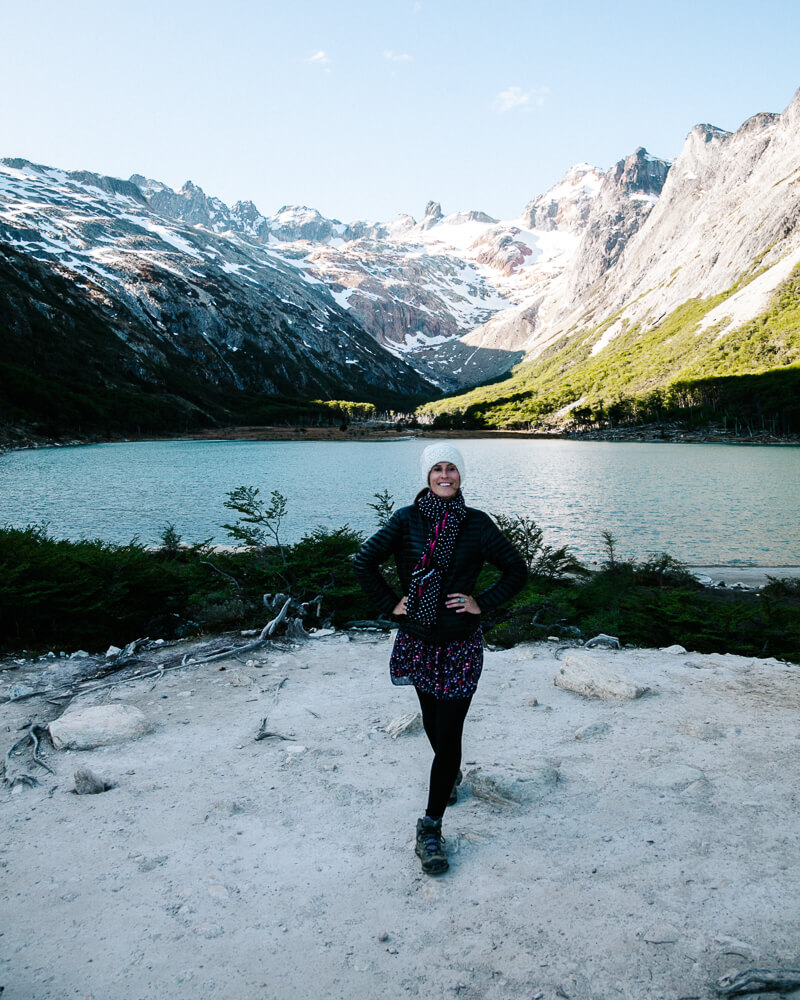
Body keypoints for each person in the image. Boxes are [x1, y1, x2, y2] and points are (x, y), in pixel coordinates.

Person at [354, 443, 527, 875]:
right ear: (426, 475)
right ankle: (449, 776)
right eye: (437, 469)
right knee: (434, 724)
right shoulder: (406, 519)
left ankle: (430, 827)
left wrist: (480, 602)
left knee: (448, 734)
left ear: (461, 475)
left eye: (451, 469)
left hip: (461, 643)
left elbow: (516, 569)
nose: (445, 475)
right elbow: (364, 562)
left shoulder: (477, 524)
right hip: (417, 640)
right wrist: (392, 604)